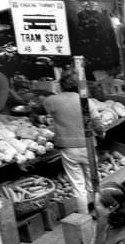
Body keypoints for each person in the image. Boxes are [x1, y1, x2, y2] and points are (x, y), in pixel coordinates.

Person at [38, 73, 91, 213]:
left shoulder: (52, 100)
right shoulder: (85, 100)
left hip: (68, 148)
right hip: (88, 146)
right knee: (93, 182)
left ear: (60, 86)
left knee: (78, 185)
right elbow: (96, 122)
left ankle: (84, 215)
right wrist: (101, 133)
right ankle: (99, 211)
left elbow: (40, 110)